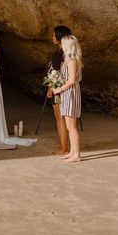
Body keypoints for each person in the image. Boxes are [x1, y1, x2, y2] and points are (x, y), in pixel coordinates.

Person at [53, 35, 83, 162]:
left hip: (70, 93)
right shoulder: (68, 60)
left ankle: (77, 155)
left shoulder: (71, 61)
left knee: (72, 127)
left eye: (63, 44)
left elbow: (71, 81)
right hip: (67, 93)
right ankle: (72, 152)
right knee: (69, 125)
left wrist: (59, 89)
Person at [47, 25, 72, 155]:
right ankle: (62, 146)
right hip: (57, 88)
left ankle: (64, 148)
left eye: (54, 35)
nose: (52, 37)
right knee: (58, 116)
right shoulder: (59, 51)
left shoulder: (64, 52)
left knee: (60, 117)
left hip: (60, 89)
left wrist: (52, 88)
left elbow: (59, 73)